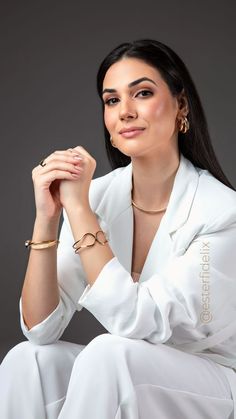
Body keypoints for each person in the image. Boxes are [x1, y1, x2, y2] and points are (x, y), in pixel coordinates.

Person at [0, 39, 236, 419]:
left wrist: (78, 208)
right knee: (29, 360)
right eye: (111, 100)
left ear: (181, 105)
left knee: (108, 353)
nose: (125, 111)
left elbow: (134, 321)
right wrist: (47, 216)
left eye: (142, 93)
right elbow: (40, 328)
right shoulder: (99, 195)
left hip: (214, 385)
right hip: (129, 369)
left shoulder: (223, 212)